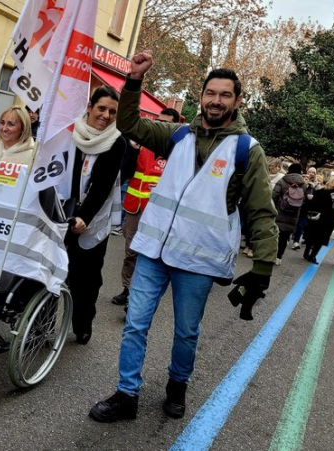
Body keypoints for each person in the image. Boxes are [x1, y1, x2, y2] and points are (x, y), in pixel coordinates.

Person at [88, 52, 278, 423]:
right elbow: (128, 122)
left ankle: (178, 385)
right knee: (135, 324)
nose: (216, 101)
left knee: (186, 332)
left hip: (198, 260)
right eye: (211, 93)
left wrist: (263, 267)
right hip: (153, 252)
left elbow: (260, 211)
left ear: (237, 101)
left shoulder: (246, 150)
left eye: (225, 95)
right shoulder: (177, 135)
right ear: (201, 96)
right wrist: (134, 81)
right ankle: (127, 394)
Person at [64, 86, 129, 344]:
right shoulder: (71, 133)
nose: (106, 115)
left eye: (112, 111)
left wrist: (83, 217)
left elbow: (102, 186)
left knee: (86, 279)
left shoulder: (117, 142)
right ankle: (42, 325)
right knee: (51, 272)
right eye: (101, 108)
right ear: (89, 107)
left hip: (92, 219)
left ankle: (82, 323)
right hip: (62, 213)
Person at [111, 107, 179, 308]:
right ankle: (127, 289)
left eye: (166, 123)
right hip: (134, 207)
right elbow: (126, 170)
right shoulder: (142, 146)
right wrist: (132, 148)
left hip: (160, 214)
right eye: (158, 121)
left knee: (149, 255)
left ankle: (138, 298)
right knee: (131, 251)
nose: (160, 126)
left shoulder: (178, 153)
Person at [302, 178, 334, 264]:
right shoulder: (333, 194)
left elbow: (312, 203)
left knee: (313, 235)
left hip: (318, 217)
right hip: (326, 218)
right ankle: (312, 255)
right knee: (320, 238)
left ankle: (308, 253)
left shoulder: (321, 191)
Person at [271, 163, 305, 265]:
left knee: (275, 235)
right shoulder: (303, 184)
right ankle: (279, 257)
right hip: (293, 214)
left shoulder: (282, 181)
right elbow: (304, 201)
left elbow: (274, 196)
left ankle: (271, 255)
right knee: (285, 236)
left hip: (279, 211)